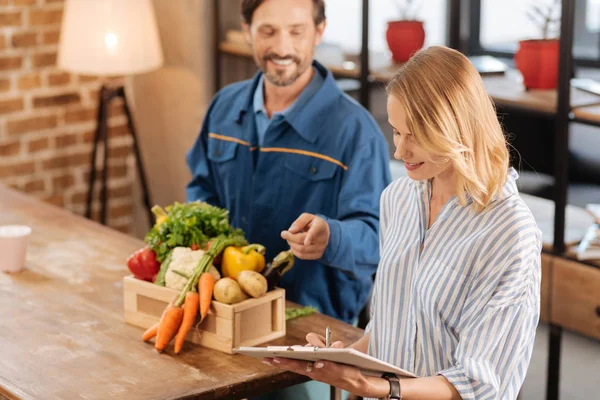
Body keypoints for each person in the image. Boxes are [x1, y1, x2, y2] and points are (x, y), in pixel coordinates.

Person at [265, 46, 542, 400]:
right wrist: (341, 362)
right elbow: (390, 334)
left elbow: (479, 383)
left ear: (457, 128)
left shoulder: (509, 233)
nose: (399, 151)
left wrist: (376, 387)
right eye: (397, 132)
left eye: (416, 137)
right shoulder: (398, 198)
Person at [186, 0, 391, 326]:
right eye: (268, 31)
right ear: (246, 30)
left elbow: (380, 239)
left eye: (296, 31)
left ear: (319, 31)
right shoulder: (223, 109)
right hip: (223, 313)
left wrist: (332, 238)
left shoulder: (355, 131)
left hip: (312, 332)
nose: (282, 47)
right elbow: (201, 191)